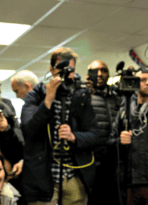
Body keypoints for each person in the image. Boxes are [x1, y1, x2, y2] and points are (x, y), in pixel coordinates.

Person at [21, 47, 100, 205]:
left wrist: (74, 137)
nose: (66, 74)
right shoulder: (35, 96)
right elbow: (29, 131)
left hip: (73, 176)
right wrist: (48, 100)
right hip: (43, 177)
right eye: (61, 69)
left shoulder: (81, 95)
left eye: (70, 70)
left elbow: (95, 135)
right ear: (51, 70)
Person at [117, 66, 148, 205]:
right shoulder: (124, 110)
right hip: (129, 181)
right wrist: (119, 140)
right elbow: (110, 139)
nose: (147, 83)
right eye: (143, 80)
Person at [86, 60, 122, 205]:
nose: (100, 74)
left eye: (104, 70)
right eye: (95, 71)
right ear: (88, 75)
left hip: (115, 160)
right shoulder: (82, 98)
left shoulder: (117, 97)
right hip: (92, 162)